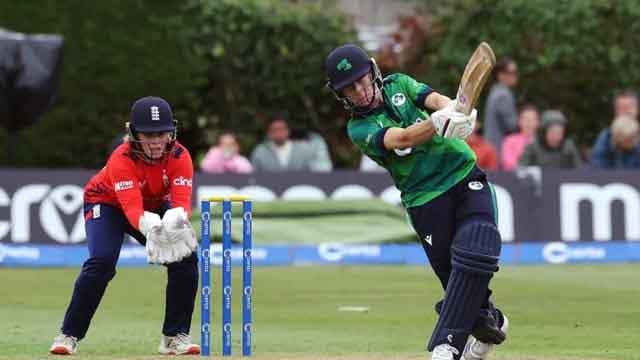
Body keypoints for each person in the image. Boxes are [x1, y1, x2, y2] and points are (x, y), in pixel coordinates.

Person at [325, 44, 508, 360]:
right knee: (455, 279)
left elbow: (434, 99)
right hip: (424, 199)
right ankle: (489, 319)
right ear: (340, 94)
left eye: (362, 79)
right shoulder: (359, 128)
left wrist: (456, 109)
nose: (360, 89)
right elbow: (403, 138)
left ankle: (446, 346)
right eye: (350, 88)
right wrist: (439, 122)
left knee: (477, 245)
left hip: (463, 174)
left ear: (372, 71)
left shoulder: (398, 83)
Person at [49, 97, 201, 356]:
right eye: (148, 134)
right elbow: (131, 209)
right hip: (106, 203)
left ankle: (174, 337)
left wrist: (175, 223)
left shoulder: (180, 156)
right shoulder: (122, 157)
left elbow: (181, 203)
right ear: (133, 133)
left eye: (161, 133)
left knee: (186, 258)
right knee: (102, 262)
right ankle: (68, 335)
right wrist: (153, 230)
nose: (155, 141)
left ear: (171, 131)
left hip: (151, 204)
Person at [251, 116, 322, 171]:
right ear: (269, 133)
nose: (279, 133)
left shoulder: (303, 149)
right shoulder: (260, 152)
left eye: (282, 129)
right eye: (275, 130)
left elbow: (313, 170)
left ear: (288, 131)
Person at [483, 58, 519, 156]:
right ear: (500, 75)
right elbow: (511, 125)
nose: (515, 76)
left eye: (516, 72)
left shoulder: (495, 91)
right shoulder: (503, 95)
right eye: (511, 72)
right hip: (499, 148)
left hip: (491, 146)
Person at [500, 105, 540, 171]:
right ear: (519, 121)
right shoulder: (509, 141)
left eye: (532, 119)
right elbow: (508, 163)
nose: (529, 123)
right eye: (525, 119)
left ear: (538, 122)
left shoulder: (543, 142)